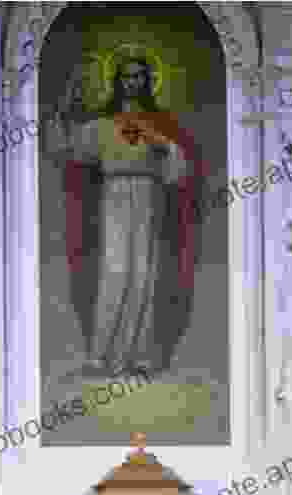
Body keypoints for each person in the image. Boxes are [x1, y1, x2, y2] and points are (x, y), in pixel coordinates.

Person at [45, 59, 195, 377]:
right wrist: (60, 115)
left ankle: (139, 358)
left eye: (139, 77)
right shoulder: (101, 125)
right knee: (114, 272)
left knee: (144, 272)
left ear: (147, 81)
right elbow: (65, 150)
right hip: (113, 192)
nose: (132, 82)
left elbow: (179, 166)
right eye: (126, 77)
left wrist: (163, 146)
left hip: (147, 193)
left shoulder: (159, 123)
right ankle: (101, 357)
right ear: (117, 81)